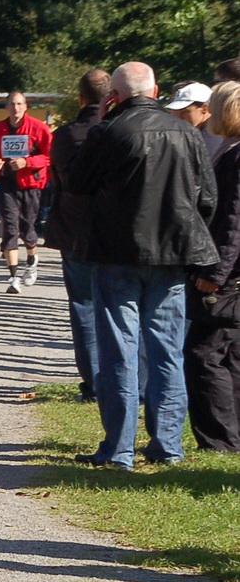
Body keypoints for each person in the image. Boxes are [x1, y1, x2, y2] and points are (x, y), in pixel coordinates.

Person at [60, 61, 216, 470]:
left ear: (115, 95)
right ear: (156, 89)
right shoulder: (188, 132)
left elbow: (76, 182)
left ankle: (120, 447)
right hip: (171, 254)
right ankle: (166, 444)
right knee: (167, 350)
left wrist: (105, 117)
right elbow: (207, 199)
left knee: (119, 351)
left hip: (118, 252)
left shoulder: (110, 131)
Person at [45, 69, 110, 402]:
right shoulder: (118, 132)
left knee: (84, 309)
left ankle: (95, 384)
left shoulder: (67, 135)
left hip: (73, 231)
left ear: (81, 98)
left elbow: (58, 178)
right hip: (114, 234)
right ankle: (130, 382)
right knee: (121, 309)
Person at [186, 82, 240, 450]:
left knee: (203, 355)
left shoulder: (235, 156)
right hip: (231, 272)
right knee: (231, 355)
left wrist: (215, 274)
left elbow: (234, 220)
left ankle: (220, 440)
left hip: (228, 275)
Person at [0, 91, 54, 293]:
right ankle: (13, 277)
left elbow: (50, 155)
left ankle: (32, 261)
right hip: (6, 183)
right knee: (10, 226)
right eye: (12, 104)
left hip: (31, 183)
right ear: (6, 107)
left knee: (27, 227)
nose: (15, 108)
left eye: (19, 104)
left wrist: (27, 162)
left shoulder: (38, 128)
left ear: (25, 107)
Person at [165, 82, 223, 158]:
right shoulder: (202, 132)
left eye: (184, 112)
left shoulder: (212, 136)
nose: (179, 117)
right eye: (176, 112)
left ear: (205, 108)